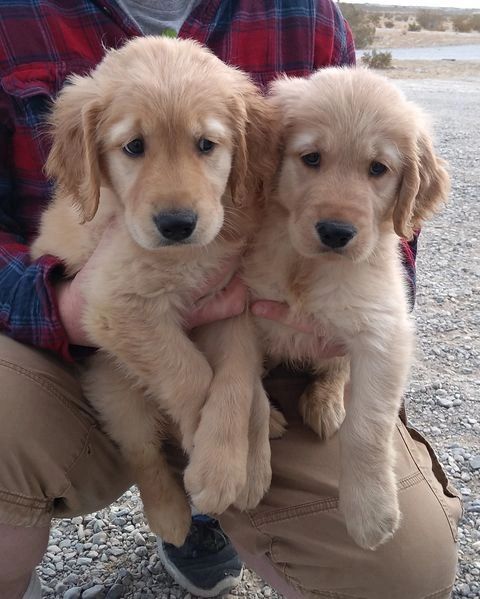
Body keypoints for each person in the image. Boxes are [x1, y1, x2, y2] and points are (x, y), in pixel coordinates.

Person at [0, 1, 461, 598]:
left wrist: (341, 336)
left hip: (263, 326)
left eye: (206, 145)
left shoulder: (300, 12)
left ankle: (208, 516)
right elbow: (112, 310)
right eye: (132, 147)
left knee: (402, 573)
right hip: (59, 338)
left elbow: (380, 179)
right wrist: (59, 306)